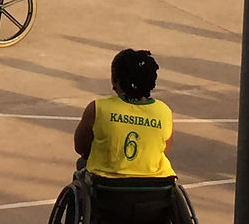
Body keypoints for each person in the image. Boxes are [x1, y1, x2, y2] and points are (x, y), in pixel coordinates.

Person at [73, 49, 175, 223]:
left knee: (82, 164)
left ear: (117, 81)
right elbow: (164, 151)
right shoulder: (164, 112)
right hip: (155, 195)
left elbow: (81, 147)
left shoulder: (98, 108)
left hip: (108, 195)